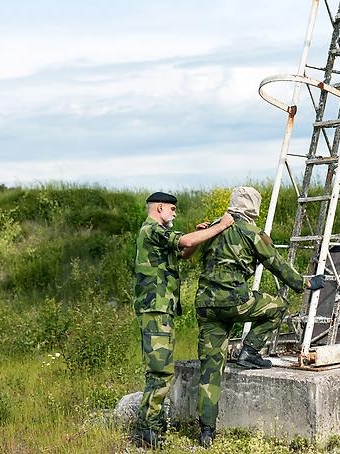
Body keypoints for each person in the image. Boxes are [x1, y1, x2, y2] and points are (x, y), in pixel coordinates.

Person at [194, 186, 324, 447]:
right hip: (234, 302)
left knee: (210, 369)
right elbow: (275, 263)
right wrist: (305, 284)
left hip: (206, 305)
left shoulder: (212, 229)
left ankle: (207, 431)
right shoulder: (251, 232)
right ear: (253, 207)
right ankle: (250, 351)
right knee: (277, 305)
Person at [133, 191, 235, 449]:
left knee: (163, 368)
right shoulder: (152, 230)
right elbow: (184, 240)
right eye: (172, 209)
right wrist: (221, 226)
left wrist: (199, 237)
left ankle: (152, 426)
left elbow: (184, 251)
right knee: (160, 370)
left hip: (162, 310)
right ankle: (147, 430)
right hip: (155, 310)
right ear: (159, 208)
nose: (174, 214)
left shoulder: (158, 236)